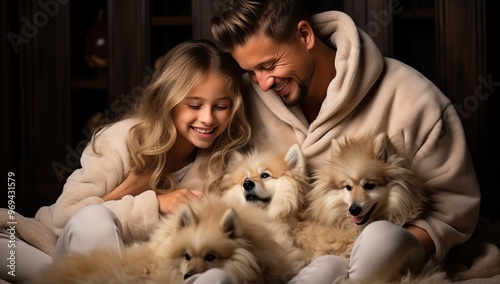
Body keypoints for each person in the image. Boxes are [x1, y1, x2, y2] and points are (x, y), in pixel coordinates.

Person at [210, 0, 483, 283]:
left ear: (305, 36)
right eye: (252, 72)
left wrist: (398, 247)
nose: (263, 83)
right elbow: (207, 176)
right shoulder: (245, 101)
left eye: (269, 65)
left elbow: (454, 208)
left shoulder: (411, 96)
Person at [0, 39, 251, 283]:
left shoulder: (222, 165)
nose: (207, 118)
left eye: (221, 106)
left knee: (217, 277)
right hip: (59, 250)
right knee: (93, 219)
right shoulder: (122, 139)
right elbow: (67, 217)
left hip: (140, 271)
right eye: (194, 105)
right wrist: (154, 205)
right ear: (168, 100)